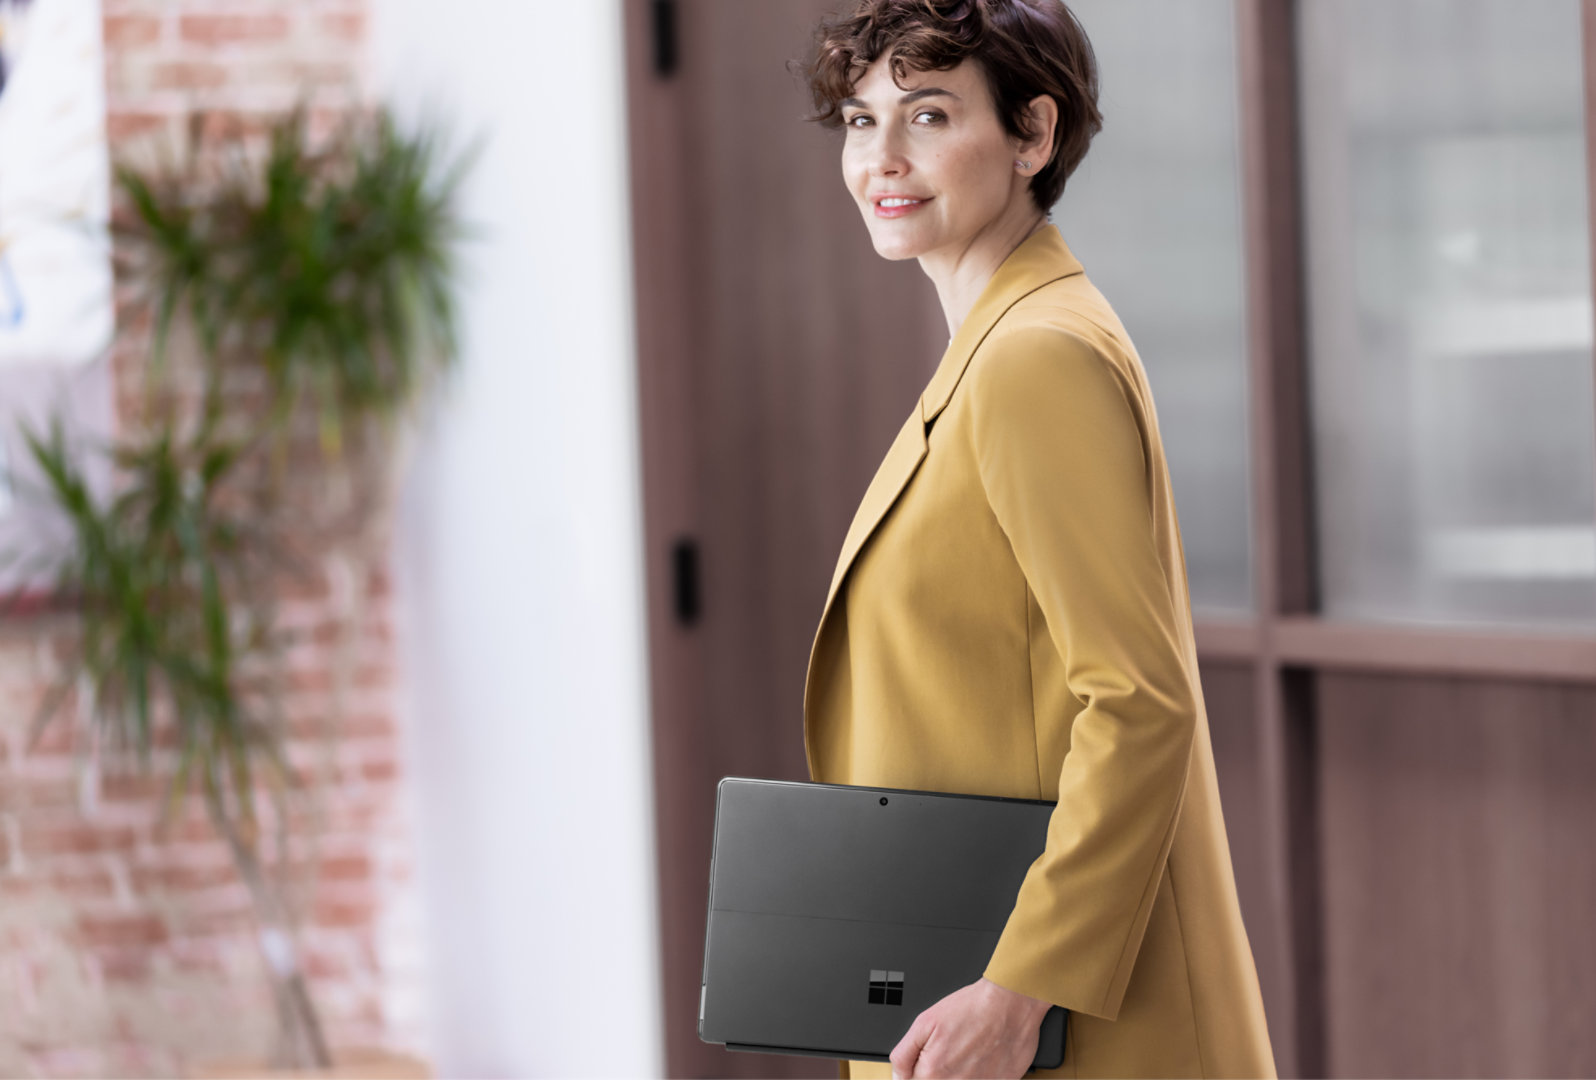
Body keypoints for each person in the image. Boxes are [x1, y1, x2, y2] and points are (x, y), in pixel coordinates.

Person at [794, 1, 1278, 1077]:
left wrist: (1020, 988)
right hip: (975, 985)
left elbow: (1140, 703)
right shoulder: (1001, 342)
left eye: (927, 115)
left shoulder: (1033, 360)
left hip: (1062, 1026)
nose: (883, 156)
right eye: (860, 119)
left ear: (1033, 135)